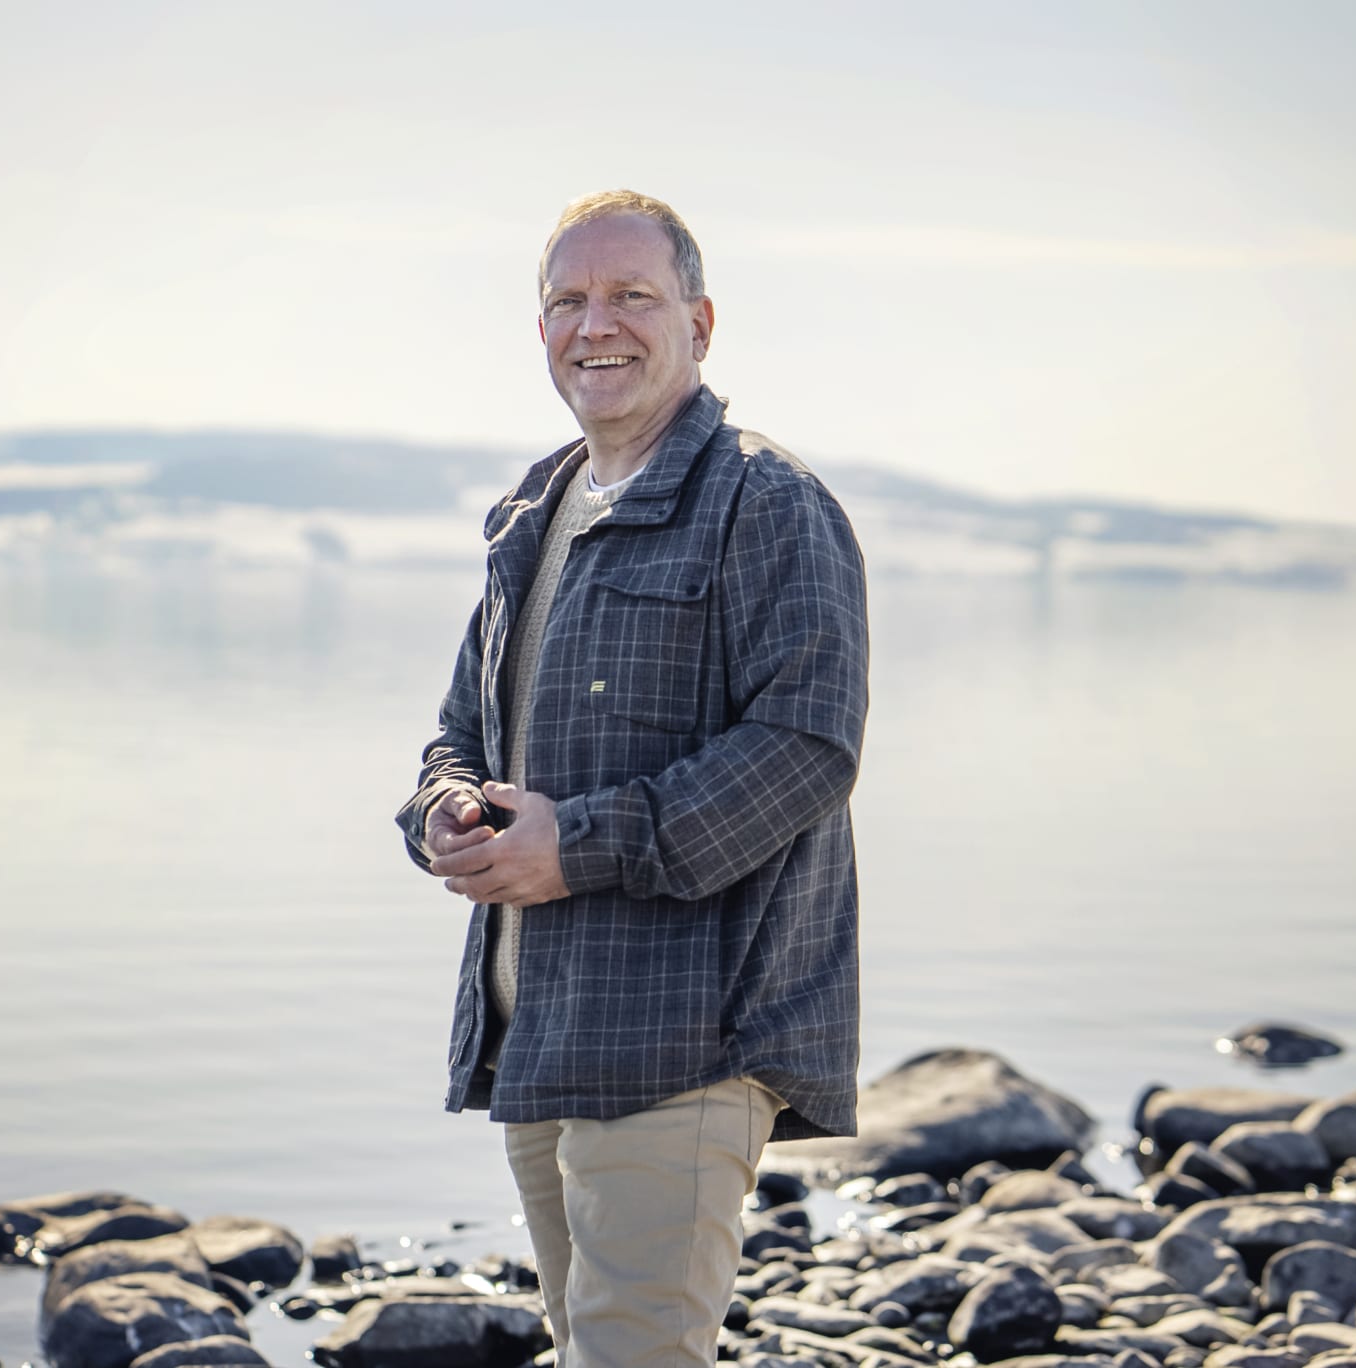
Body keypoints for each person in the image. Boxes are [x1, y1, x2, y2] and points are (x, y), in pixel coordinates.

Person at [395, 189, 869, 1368]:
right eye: (566, 300)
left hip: (682, 1040)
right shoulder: (536, 510)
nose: (592, 324)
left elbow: (805, 747)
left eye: (629, 297)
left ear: (699, 323)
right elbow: (458, 730)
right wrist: (445, 813)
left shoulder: (765, 503)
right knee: (587, 1349)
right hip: (539, 1027)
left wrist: (580, 844)